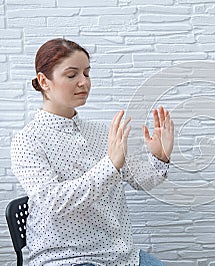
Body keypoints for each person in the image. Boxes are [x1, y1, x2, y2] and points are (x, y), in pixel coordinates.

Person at [10, 38, 174, 266]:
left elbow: (140, 180)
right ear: (43, 81)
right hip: (66, 258)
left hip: (122, 257)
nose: (83, 82)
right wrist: (110, 166)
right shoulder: (27, 140)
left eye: (86, 73)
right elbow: (53, 202)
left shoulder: (98, 131)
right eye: (72, 75)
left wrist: (159, 157)